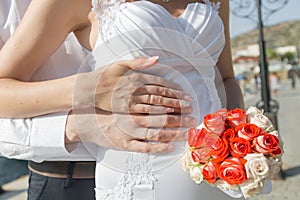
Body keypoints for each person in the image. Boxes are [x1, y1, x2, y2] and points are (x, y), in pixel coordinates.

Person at [0, 0, 256, 199]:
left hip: (216, 172)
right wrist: (87, 90)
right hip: (133, 178)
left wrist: (239, 139)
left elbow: (225, 79)